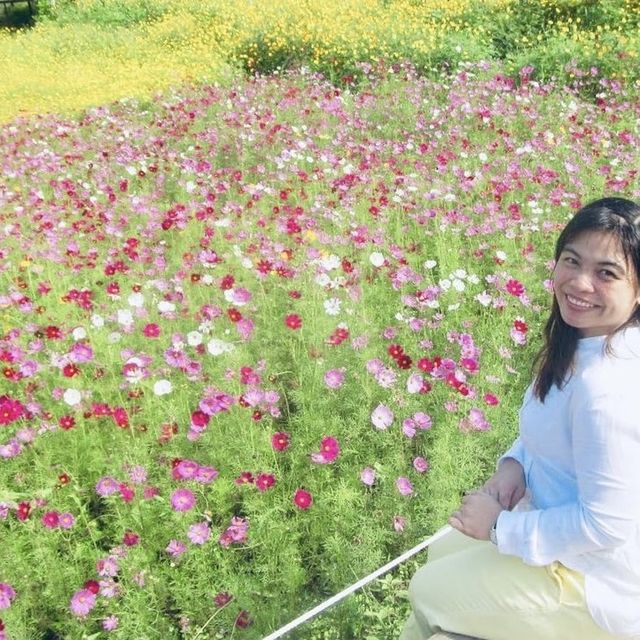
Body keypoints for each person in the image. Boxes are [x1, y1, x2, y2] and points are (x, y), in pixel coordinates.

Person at [400, 197, 640, 640]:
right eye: (571, 260)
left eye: (607, 273)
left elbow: (607, 525)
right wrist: (516, 464)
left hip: (600, 583)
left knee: (428, 589)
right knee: (443, 550)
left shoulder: (609, 388)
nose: (580, 283)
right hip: (558, 531)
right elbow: (550, 432)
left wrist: (499, 526)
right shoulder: (581, 343)